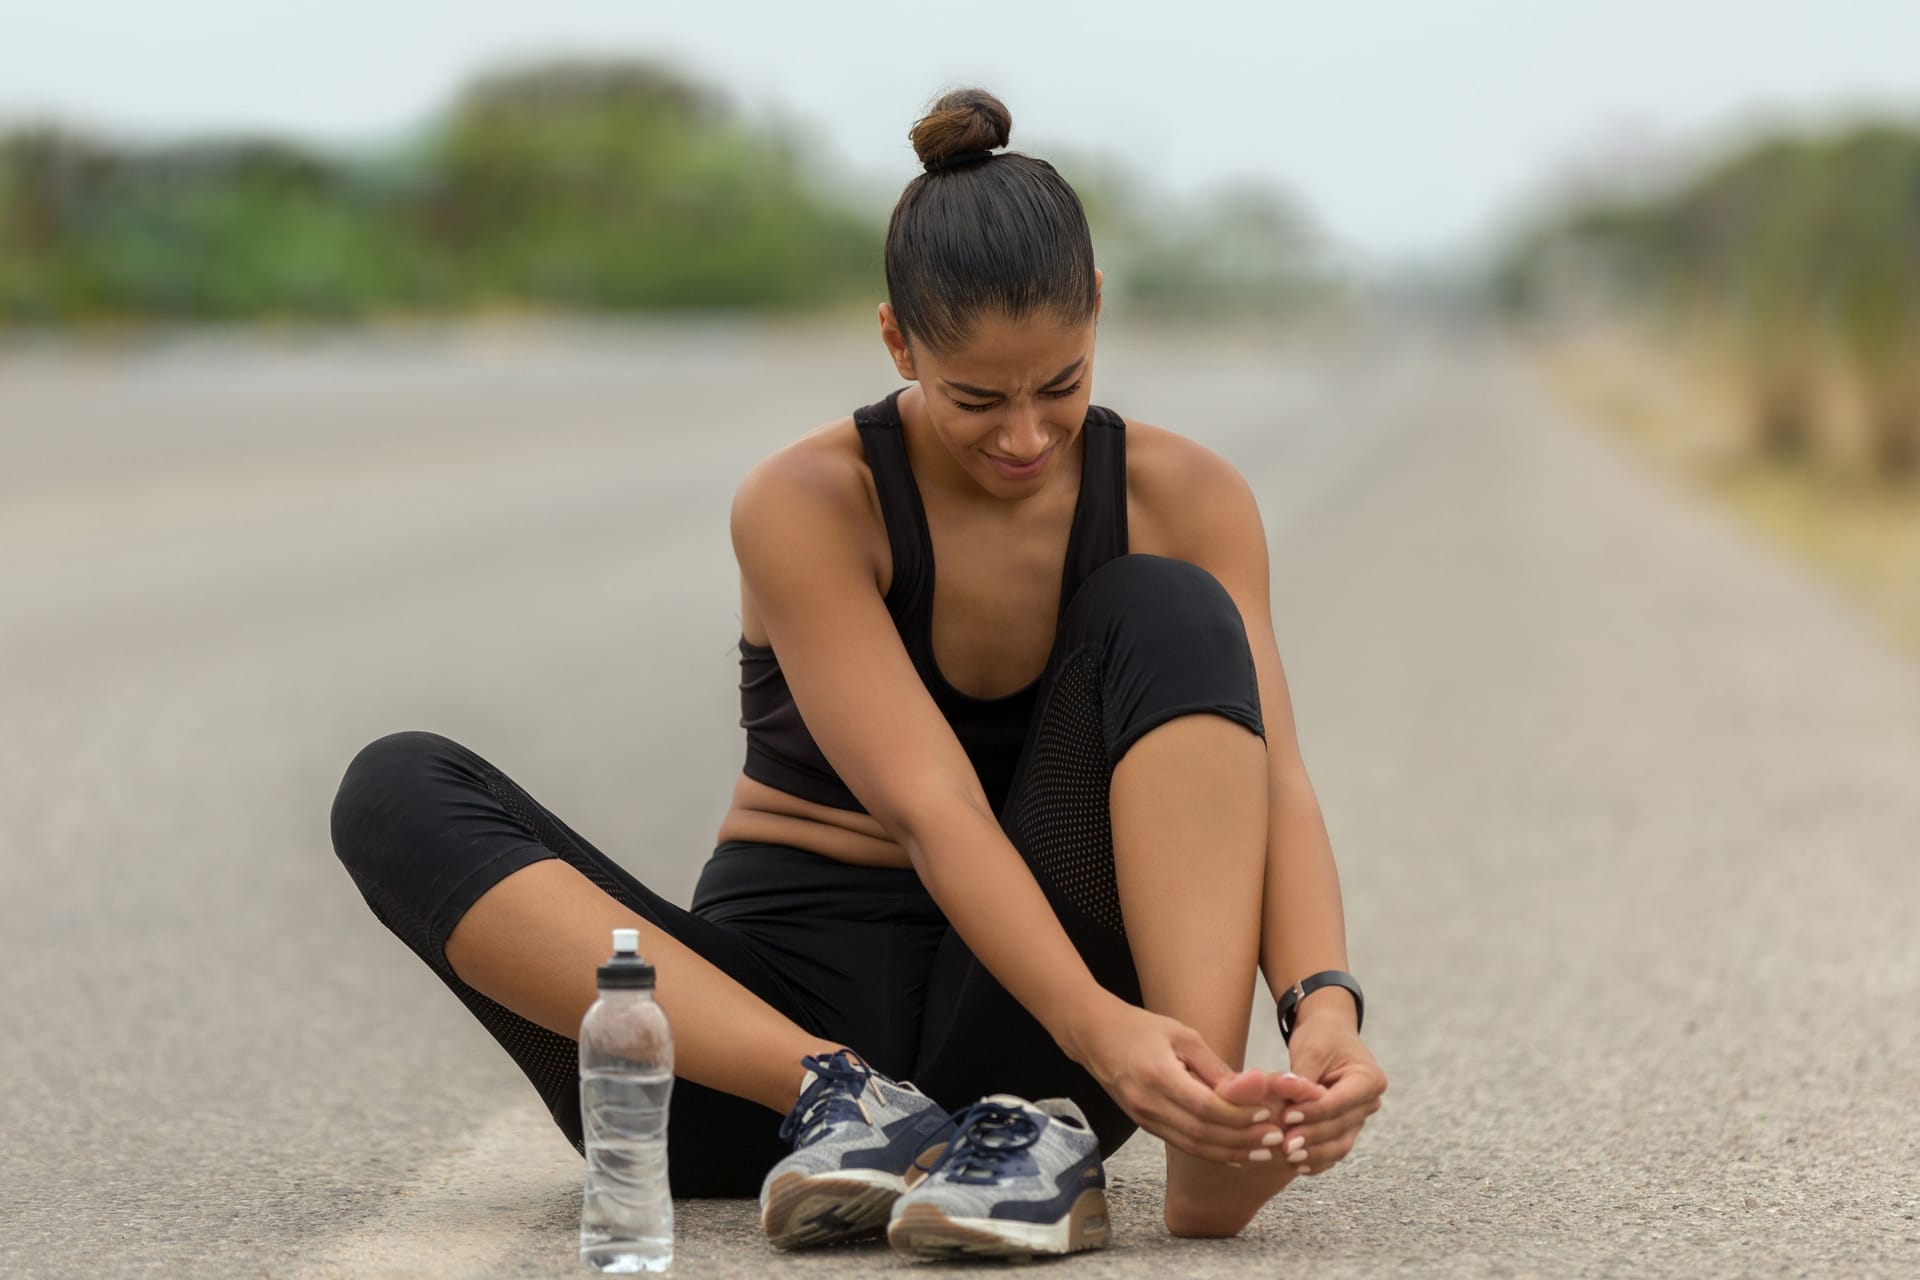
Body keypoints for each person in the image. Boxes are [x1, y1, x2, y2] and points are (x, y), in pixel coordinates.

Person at [330, 86, 1386, 1255]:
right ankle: (850, 1100)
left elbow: (1272, 779)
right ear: (897, 341)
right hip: (764, 1059)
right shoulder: (809, 501)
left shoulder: (1181, 495)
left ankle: (1211, 1129)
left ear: (1094, 311)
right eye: (975, 398)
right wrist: (1098, 1029)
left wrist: (1320, 1006)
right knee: (393, 785)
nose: (1025, 438)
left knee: (1174, 606)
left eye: (1062, 385)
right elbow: (929, 806)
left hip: (1029, 1065)